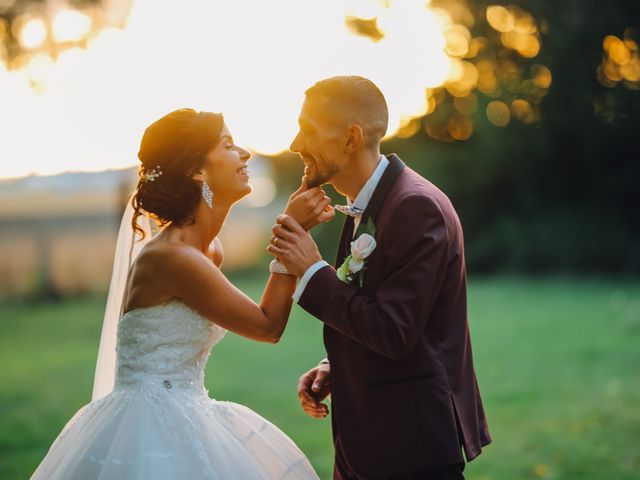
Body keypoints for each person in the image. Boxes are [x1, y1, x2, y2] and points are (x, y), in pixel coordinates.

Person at [30, 108, 330, 479]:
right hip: (148, 422)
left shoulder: (208, 250)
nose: (245, 154)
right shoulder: (172, 257)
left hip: (191, 405)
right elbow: (267, 327)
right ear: (197, 171)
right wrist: (291, 229)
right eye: (228, 144)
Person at [268, 76, 492, 479]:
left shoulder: (414, 206)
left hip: (409, 448)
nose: (295, 144)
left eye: (309, 130)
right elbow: (380, 305)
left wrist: (313, 270)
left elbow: (394, 331)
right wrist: (335, 364)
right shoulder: (368, 203)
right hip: (369, 443)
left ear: (350, 139)